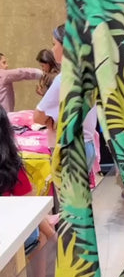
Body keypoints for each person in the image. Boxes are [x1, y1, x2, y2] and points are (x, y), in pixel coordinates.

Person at [0, 105, 55, 277]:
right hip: (9, 235)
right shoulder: (10, 166)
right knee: (39, 231)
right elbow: (30, 207)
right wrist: (52, 234)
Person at [33, 25, 97, 172]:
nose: (52, 49)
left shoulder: (64, 79)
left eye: (54, 44)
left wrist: (51, 120)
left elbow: (37, 117)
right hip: (86, 145)